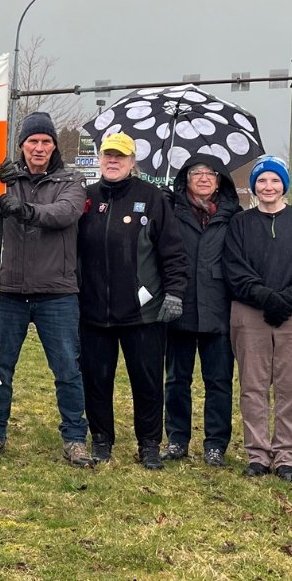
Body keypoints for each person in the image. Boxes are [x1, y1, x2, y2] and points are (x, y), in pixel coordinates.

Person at [0, 112, 91, 466]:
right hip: (10, 291)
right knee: (0, 369)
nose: (39, 148)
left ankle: (74, 438)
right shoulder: (6, 180)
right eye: (32, 141)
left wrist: (23, 209)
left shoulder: (71, 179)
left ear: (54, 146)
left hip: (57, 292)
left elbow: (64, 214)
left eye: (45, 142)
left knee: (67, 369)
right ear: (22, 145)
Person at [77, 132, 188, 470]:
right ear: (99, 159)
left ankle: (149, 444)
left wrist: (174, 292)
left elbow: (174, 252)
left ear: (132, 162)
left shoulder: (153, 198)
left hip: (144, 312)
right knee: (96, 380)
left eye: (120, 156)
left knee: (148, 381)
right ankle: (101, 440)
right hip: (94, 311)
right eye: (108, 155)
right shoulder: (85, 197)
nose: (113, 161)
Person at [224, 156, 292, 482]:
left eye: (275, 180)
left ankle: (286, 456)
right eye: (262, 181)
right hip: (251, 314)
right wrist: (266, 297)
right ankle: (257, 453)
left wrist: (289, 297)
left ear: (284, 184)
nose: (269, 187)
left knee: (291, 387)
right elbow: (235, 268)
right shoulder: (240, 223)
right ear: (254, 186)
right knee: (253, 386)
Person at [161, 155, 241, 467]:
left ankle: (215, 444)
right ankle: (177, 438)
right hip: (179, 305)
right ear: (186, 178)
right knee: (177, 379)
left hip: (219, 308)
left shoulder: (233, 215)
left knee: (219, 381)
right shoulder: (171, 210)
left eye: (211, 173)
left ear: (220, 181)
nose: (204, 178)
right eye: (197, 173)